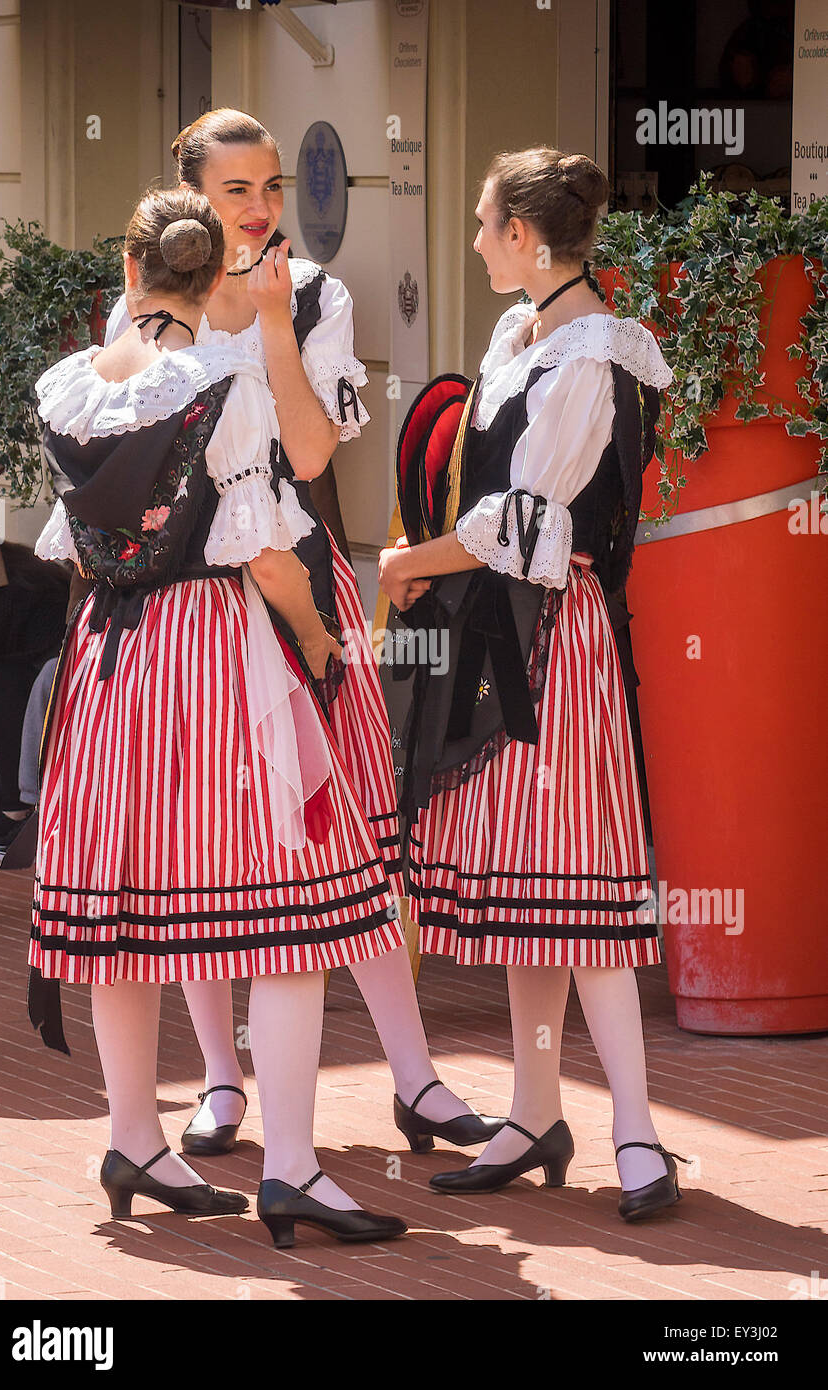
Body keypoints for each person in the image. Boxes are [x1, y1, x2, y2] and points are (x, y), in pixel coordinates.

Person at [102, 109, 501, 1158]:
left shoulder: (317, 294)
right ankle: (222, 1082)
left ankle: (411, 1075)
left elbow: (313, 449)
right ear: (190, 191)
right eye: (238, 190)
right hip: (191, 594)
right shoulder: (145, 306)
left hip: (296, 575)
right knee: (203, 840)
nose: (262, 209)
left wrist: (272, 324)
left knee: (347, 828)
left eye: (271, 187)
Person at [30, 185, 407, 1246]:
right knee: (291, 919)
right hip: (214, 653)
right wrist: (324, 643)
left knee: (127, 920)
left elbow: (76, 550)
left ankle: (132, 1138)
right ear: (213, 281)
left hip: (110, 662)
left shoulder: (64, 388)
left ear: (127, 270)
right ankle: (288, 1166)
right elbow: (266, 549)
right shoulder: (217, 386)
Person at [379, 147, 684, 1223]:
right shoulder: (529, 336)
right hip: (511, 630)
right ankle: (533, 1110)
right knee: (529, 893)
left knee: (581, 892)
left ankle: (637, 1129)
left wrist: (411, 561)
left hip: (556, 634)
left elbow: (522, 525)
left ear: (525, 238)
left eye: (481, 223)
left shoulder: (589, 357)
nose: (471, 241)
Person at [0, 542, 69, 855]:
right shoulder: (1, 584)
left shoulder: (18, 591)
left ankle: (15, 808)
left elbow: (10, 656)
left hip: (52, 666)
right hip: (33, 663)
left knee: (1, 682)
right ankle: (6, 806)